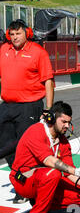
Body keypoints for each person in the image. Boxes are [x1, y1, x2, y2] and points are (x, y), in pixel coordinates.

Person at [9, 101, 80, 213]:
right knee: (54, 173)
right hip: (23, 179)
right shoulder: (36, 131)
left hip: (44, 177)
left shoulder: (62, 141)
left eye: (69, 122)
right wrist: (77, 172)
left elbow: (69, 172)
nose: (67, 126)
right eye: (64, 122)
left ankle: (42, 204)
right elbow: (49, 160)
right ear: (51, 118)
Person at [0, 19, 54, 203]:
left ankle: (27, 188)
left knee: (26, 149)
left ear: (27, 33)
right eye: (12, 34)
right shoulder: (3, 50)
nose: (15, 37)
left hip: (30, 106)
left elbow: (48, 81)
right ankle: (21, 181)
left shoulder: (38, 53)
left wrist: (48, 108)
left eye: (18, 33)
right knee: (7, 147)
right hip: (7, 105)